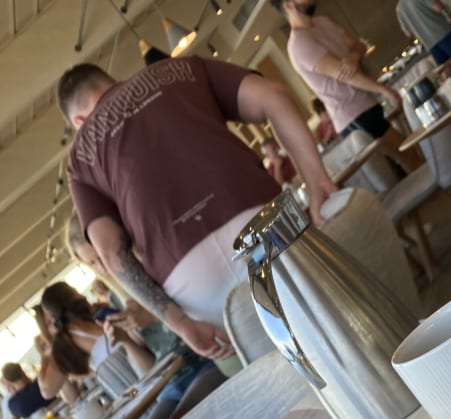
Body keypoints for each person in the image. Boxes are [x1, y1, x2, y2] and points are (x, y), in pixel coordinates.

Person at [56, 58, 335, 363]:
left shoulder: (79, 160)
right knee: (336, 328)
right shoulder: (180, 69)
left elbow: (111, 254)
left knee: (275, 370)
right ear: (110, 80)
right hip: (262, 219)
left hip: (191, 279)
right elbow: (274, 95)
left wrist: (178, 323)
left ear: (79, 121)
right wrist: (317, 182)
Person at [38, 282, 225, 419]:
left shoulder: (97, 319)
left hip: (163, 382)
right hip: (149, 393)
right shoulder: (93, 320)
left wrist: (46, 349)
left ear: (52, 316)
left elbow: (48, 390)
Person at [271, 2, 419, 173]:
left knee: (407, 160)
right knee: (409, 155)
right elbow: (346, 76)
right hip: (353, 115)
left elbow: (359, 46)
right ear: (288, 5)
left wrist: (353, 57)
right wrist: (383, 89)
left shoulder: (323, 22)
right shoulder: (299, 45)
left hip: (366, 103)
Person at [395, 0, 451, 66]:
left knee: (445, 67)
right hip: (442, 33)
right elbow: (438, 7)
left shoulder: (399, 8)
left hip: (428, 43)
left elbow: (408, 33)